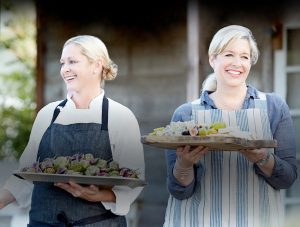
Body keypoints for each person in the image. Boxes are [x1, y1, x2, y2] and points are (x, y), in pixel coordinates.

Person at [0, 35, 145, 226]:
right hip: (42, 222)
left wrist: (97, 195)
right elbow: (25, 175)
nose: (65, 69)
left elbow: (133, 181)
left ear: (96, 65)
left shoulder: (120, 117)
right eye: (63, 62)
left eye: (72, 61)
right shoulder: (47, 114)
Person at [163, 25, 297, 227]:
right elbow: (179, 192)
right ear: (212, 59)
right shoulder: (186, 113)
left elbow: (287, 179)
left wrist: (262, 158)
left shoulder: (274, 107)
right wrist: (184, 165)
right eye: (229, 54)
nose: (237, 63)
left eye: (244, 56)